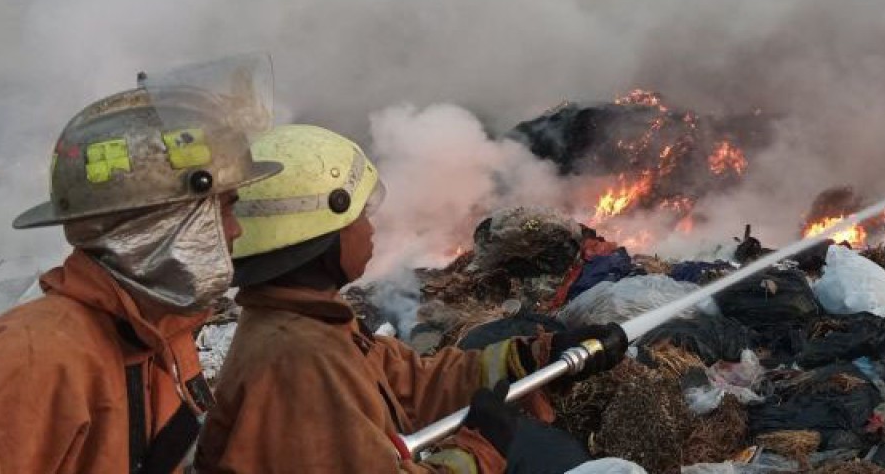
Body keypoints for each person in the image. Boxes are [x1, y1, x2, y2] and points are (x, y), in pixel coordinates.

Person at [195, 125, 626, 473]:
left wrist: (535, 358)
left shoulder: (310, 324)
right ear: (316, 235)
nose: (371, 229)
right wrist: (475, 454)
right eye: (359, 215)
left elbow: (411, 383)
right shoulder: (301, 361)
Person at [0, 81, 281, 474]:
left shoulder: (156, 334)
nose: (235, 231)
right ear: (164, 226)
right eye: (224, 210)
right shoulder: (33, 360)